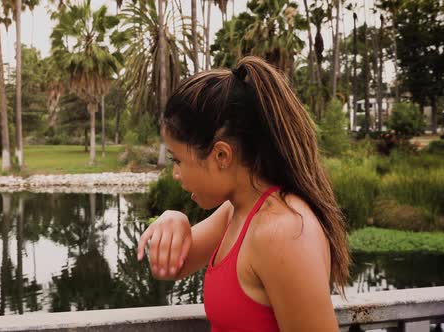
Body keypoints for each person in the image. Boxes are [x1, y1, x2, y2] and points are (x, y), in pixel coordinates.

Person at [137, 56, 349, 331]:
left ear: (221, 155)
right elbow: (171, 266)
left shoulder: (283, 231)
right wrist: (172, 218)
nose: (175, 174)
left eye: (178, 161)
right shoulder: (236, 212)